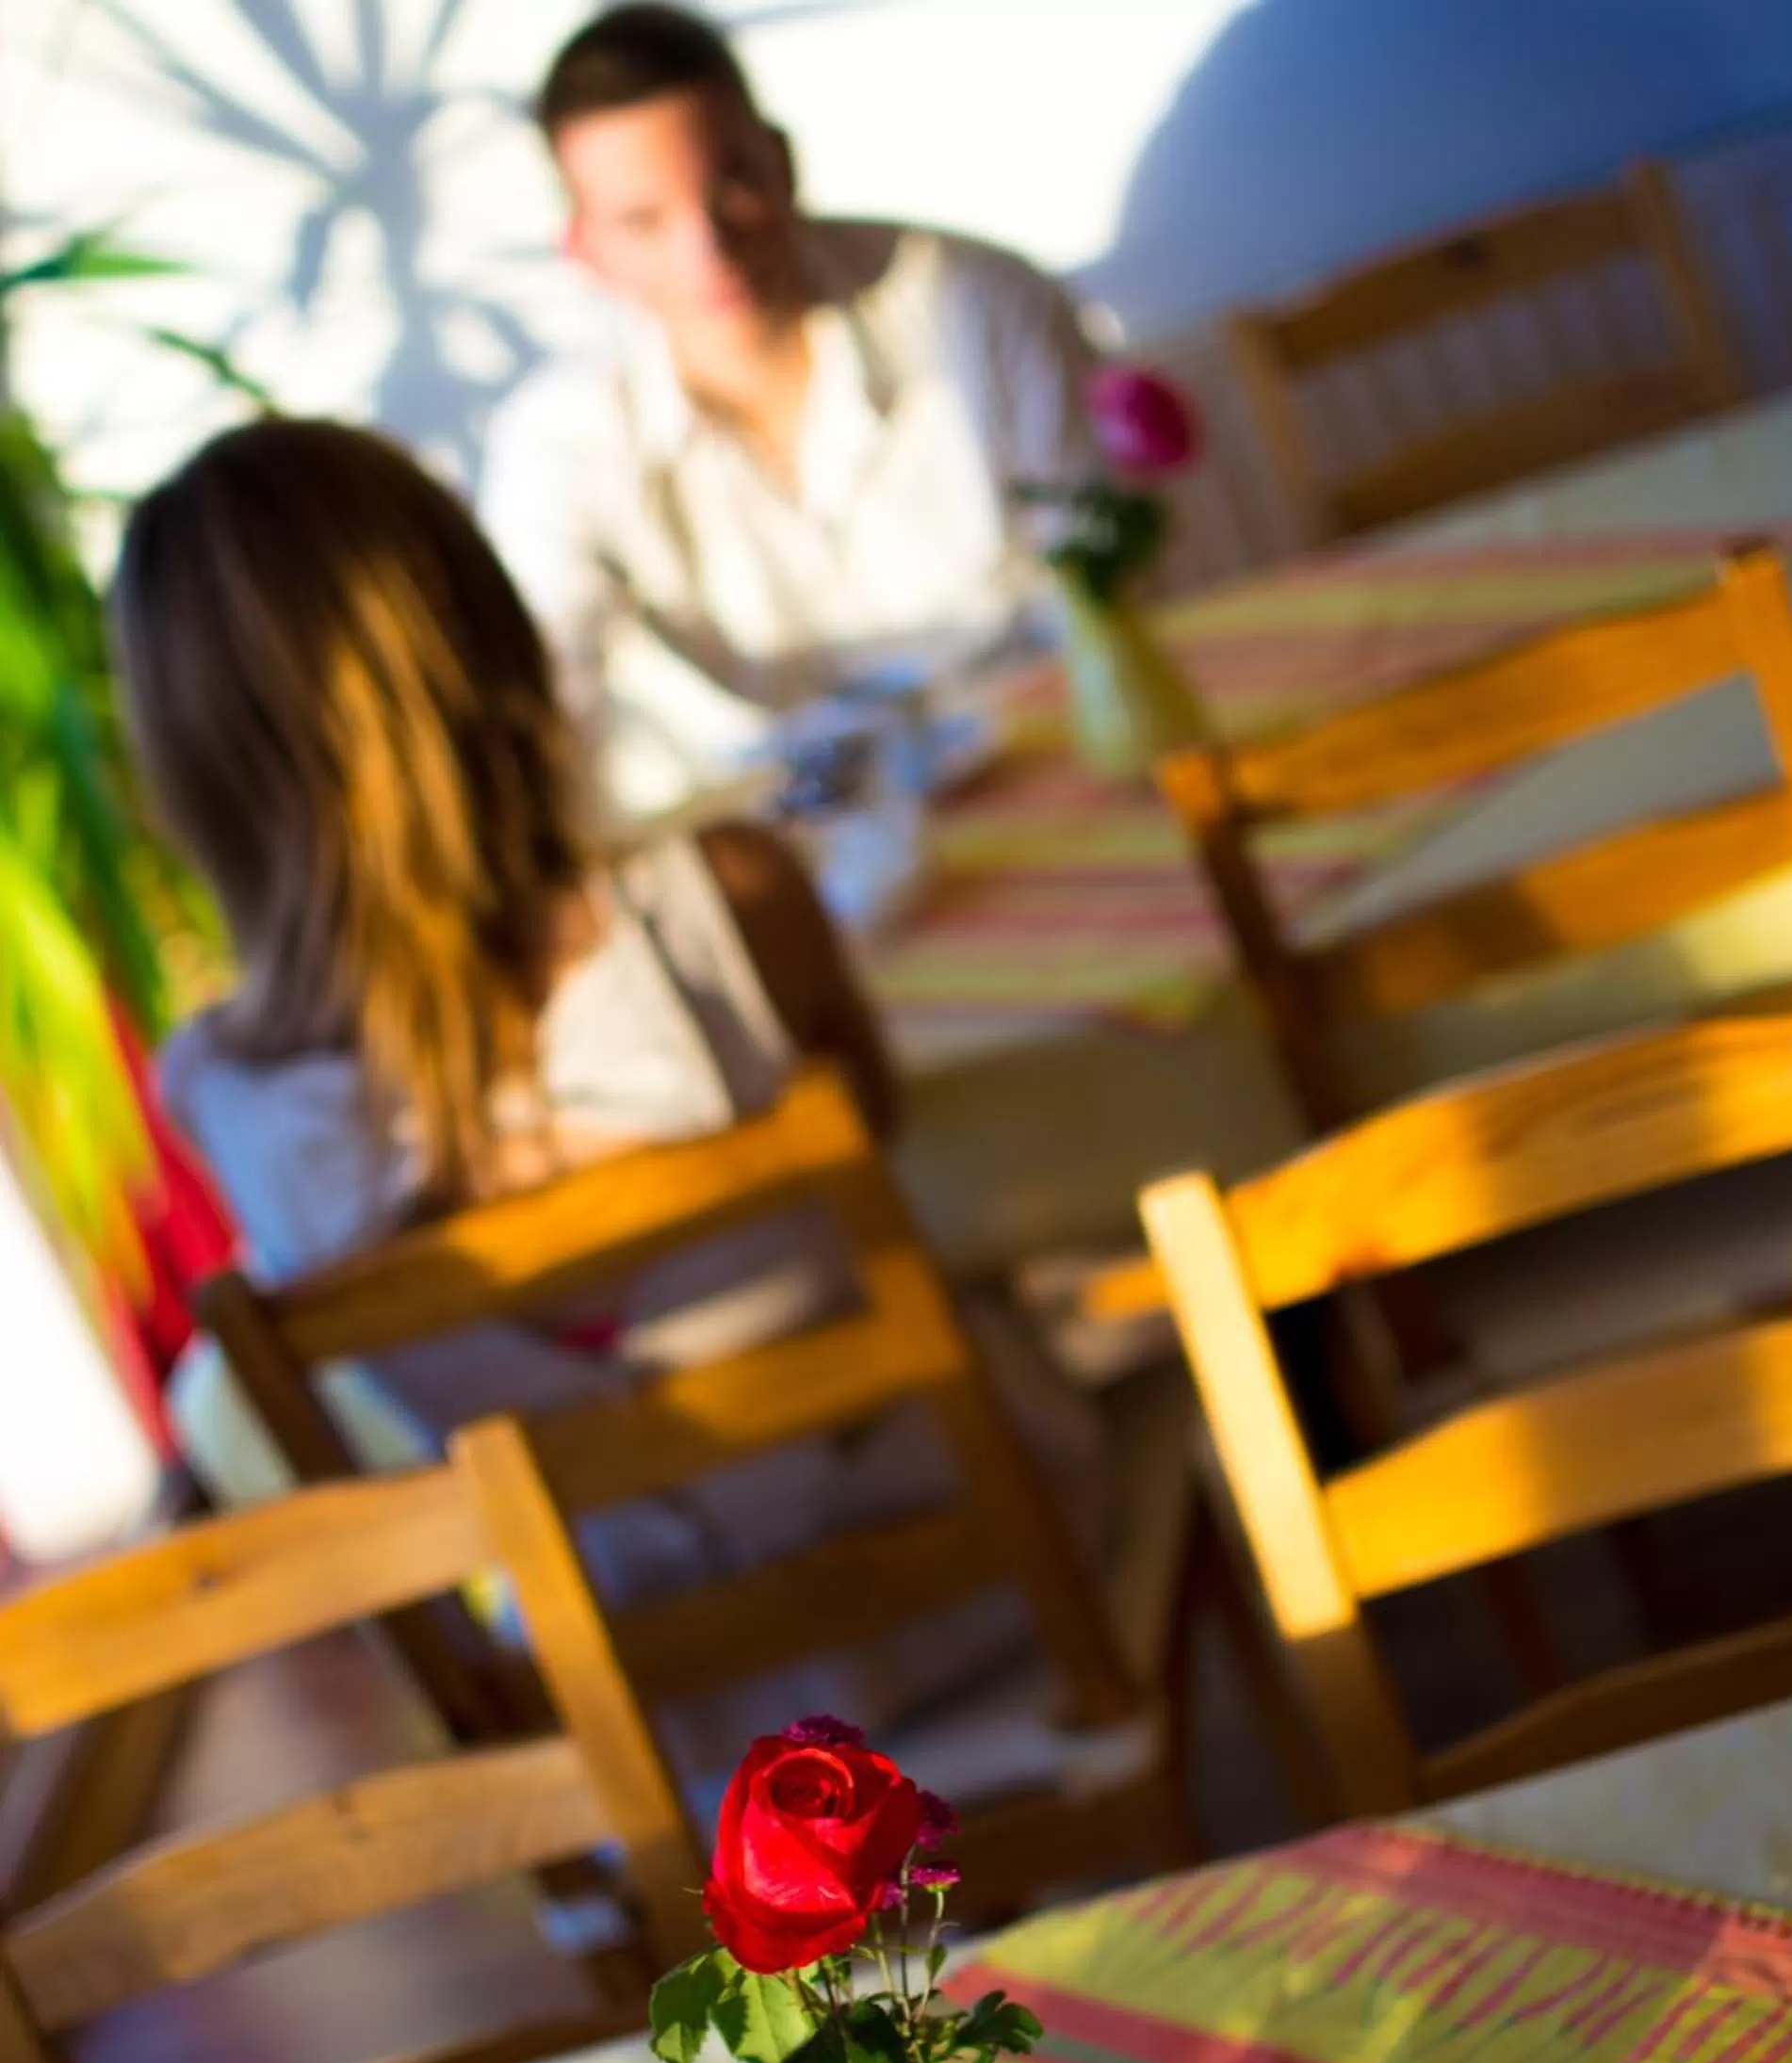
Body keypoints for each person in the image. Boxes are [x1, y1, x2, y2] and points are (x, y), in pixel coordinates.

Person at [113, 416, 1100, 1777]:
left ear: (193, 771)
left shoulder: (217, 1094)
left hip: (666, 1718)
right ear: (490, 634)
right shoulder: (731, 900)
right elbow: (877, 1135)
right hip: (993, 1573)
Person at [480, 4, 1100, 816]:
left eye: (730, 186)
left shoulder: (980, 304)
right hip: (799, 847)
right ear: (584, 248)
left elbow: (1104, 577)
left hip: (1050, 765)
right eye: (643, 221)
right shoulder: (559, 441)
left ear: (783, 163)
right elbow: (548, 704)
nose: (708, 249)